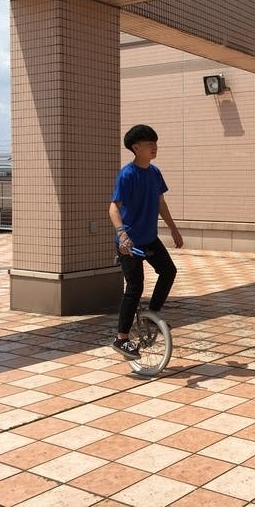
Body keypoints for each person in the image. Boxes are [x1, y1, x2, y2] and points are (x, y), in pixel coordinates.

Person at [109, 124, 184, 359]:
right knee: (135, 287)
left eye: (155, 143)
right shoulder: (128, 174)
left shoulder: (154, 172)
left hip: (149, 238)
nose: (154, 147)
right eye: (149, 143)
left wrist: (173, 229)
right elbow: (113, 207)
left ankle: (152, 315)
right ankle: (121, 338)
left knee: (169, 271)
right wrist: (122, 235)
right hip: (130, 242)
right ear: (136, 148)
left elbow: (161, 203)